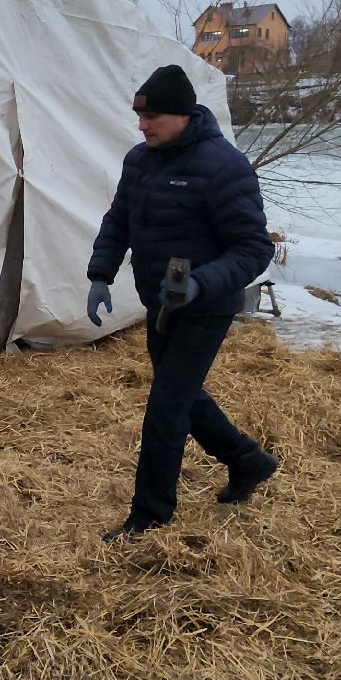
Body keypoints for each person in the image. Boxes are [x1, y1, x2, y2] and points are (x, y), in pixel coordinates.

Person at [86, 64, 279, 540]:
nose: (141, 125)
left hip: (206, 306)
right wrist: (100, 273)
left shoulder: (223, 166)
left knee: (166, 409)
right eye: (138, 115)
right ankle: (248, 460)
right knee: (184, 397)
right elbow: (119, 220)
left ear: (182, 115)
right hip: (160, 302)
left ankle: (150, 516)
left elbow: (254, 248)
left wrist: (201, 283)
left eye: (151, 116)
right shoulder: (140, 160)